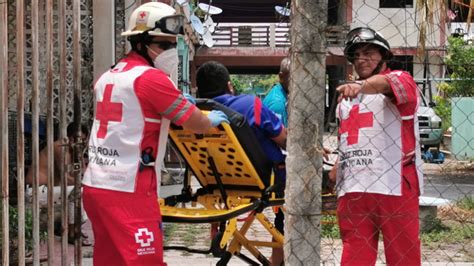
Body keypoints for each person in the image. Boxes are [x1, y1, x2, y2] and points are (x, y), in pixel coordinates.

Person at [82, 3, 228, 265]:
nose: (171, 52)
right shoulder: (152, 79)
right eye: (164, 45)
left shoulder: (109, 75)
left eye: (173, 44)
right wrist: (208, 120)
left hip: (97, 185)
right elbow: (194, 123)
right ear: (141, 43)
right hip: (129, 190)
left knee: (110, 260)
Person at [330, 27, 423, 265]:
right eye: (356, 54)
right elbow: (348, 137)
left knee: (403, 255)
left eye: (369, 52)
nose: (361, 59)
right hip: (354, 188)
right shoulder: (346, 99)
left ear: (383, 55)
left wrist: (361, 87)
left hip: (394, 182)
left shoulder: (402, 79)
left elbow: (385, 84)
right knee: (355, 254)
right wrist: (338, 165)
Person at [195, 61, 287, 266]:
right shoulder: (249, 104)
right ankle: (282, 252)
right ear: (229, 86)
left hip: (216, 178)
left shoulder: (196, 113)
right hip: (264, 178)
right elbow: (282, 137)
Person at [25, 122, 91, 246]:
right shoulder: (60, 147)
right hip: (36, 191)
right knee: (78, 191)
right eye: (77, 139)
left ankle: (73, 229)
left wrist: (80, 155)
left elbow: (83, 174)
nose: (79, 143)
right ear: (69, 138)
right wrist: (86, 183)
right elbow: (66, 177)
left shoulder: (75, 150)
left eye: (83, 140)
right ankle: (73, 232)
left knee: (82, 190)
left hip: (52, 191)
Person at [263, 57, 290, 127]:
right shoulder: (278, 104)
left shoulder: (278, 91)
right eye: (293, 79)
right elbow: (282, 137)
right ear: (281, 77)